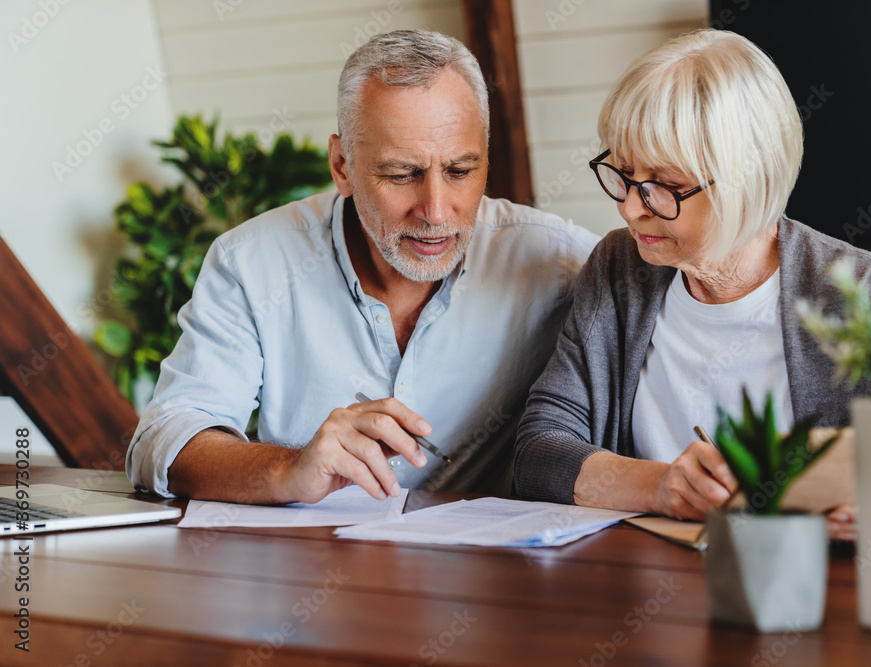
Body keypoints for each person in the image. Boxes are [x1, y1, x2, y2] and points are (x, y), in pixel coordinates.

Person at [512, 29, 871, 540]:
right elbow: (538, 451)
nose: (631, 207)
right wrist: (659, 485)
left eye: (666, 186)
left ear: (748, 179)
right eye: (624, 174)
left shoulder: (864, 294)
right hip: (646, 589)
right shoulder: (617, 269)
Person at [126, 30, 598, 504]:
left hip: (488, 572)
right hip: (315, 567)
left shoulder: (557, 261)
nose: (435, 211)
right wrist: (288, 469)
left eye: (460, 171)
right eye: (401, 174)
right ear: (342, 166)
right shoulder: (251, 263)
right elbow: (164, 440)